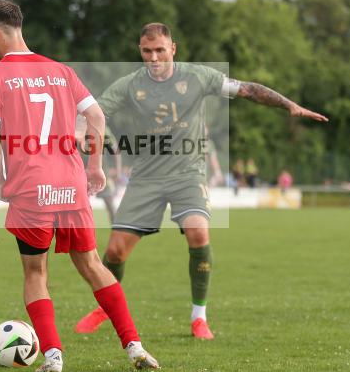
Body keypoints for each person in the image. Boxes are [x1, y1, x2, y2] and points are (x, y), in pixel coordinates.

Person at [75, 23, 328, 340]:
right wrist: (106, 142)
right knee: (115, 252)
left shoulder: (198, 77)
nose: (153, 57)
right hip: (147, 176)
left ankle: (199, 317)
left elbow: (247, 89)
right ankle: (105, 308)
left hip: (188, 173)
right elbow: (93, 113)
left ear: (173, 49)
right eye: (146, 51)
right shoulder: (129, 84)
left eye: (159, 50)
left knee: (198, 231)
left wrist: (287, 104)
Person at [0, 0, 158, 372]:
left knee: (35, 273)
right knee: (91, 264)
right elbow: (96, 115)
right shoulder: (61, 70)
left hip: (30, 186)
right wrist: (94, 167)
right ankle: (134, 346)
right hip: (70, 183)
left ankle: (53, 355)